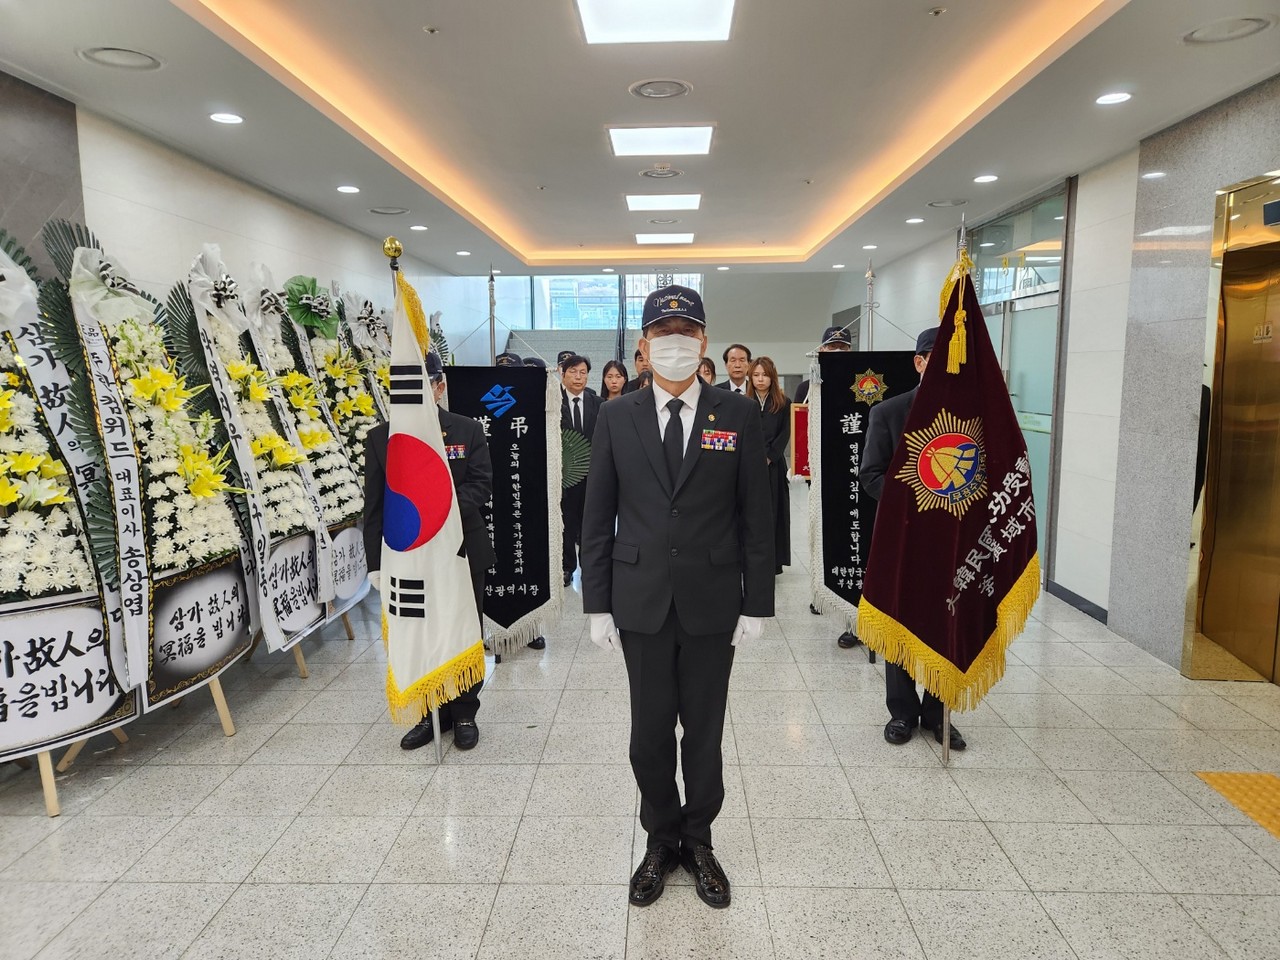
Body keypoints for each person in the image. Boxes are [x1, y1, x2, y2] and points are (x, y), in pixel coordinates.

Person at [581, 284, 774, 910]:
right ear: (643, 346)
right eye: (662, 335)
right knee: (649, 733)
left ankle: (700, 840)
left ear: (703, 341)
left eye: (686, 333)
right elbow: (597, 514)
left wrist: (757, 602)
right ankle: (661, 840)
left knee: (705, 732)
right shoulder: (617, 416)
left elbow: (757, 515)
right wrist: (597, 602)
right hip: (640, 600)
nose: (674, 344)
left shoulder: (735, 413)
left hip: (713, 600)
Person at [364, 351, 495, 751]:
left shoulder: (466, 429)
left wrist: (439, 510)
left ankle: (465, 712)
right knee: (420, 632)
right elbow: (374, 507)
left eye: (425, 384)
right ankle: (430, 714)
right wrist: (375, 564)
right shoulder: (382, 439)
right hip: (409, 557)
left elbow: (481, 484)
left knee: (462, 629)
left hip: (460, 549)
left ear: (440, 386)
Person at [860, 326, 966, 752]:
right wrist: (915, 504)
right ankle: (902, 711)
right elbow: (871, 475)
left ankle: (939, 714)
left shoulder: (971, 417)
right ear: (919, 362)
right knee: (899, 621)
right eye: (935, 357)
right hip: (903, 538)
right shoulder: (889, 412)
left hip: (952, 541)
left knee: (946, 623)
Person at [561, 354, 603, 587]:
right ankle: (567, 567)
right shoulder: (553, 403)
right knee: (567, 523)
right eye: (573, 372)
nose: (578, 377)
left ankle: (589, 567)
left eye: (583, 372)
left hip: (592, 476)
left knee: (590, 524)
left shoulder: (600, 404)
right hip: (565, 477)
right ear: (563, 374)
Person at [747, 357, 791, 574]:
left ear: (772, 377)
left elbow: (785, 433)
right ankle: (751, 560)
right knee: (752, 513)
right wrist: (754, 457)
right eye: (756, 375)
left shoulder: (783, 403)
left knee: (775, 512)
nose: (760, 379)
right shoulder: (744, 403)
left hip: (774, 465)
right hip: (749, 466)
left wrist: (770, 456)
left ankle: (774, 562)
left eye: (764, 375)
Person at [794, 324, 852, 403]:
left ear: (850, 351)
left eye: (843, 347)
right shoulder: (806, 388)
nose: (838, 350)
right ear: (822, 350)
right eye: (832, 346)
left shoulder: (858, 385)